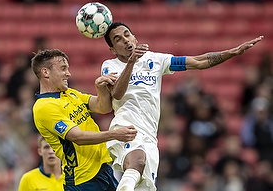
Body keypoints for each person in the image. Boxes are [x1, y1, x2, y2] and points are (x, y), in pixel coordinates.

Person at [101, 21, 264, 191]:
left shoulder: (156, 60)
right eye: (118, 39)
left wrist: (231, 52)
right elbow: (117, 94)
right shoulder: (109, 66)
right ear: (113, 49)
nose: (125, 40)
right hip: (126, 127)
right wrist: (131, 63)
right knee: (138, 161)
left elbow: (198, 61)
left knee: (143, 186)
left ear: (134, 37)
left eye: (127, 34)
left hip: (150, 134)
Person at [31, 49, 138, 191]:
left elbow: (103, 107)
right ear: (45, 72)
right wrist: (115, 134)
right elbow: (78, 137)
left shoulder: (70, 93)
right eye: (63, 69)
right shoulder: (44, 107)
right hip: (82, 180)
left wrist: (100, 88)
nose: (68, 74)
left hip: (102, 169)